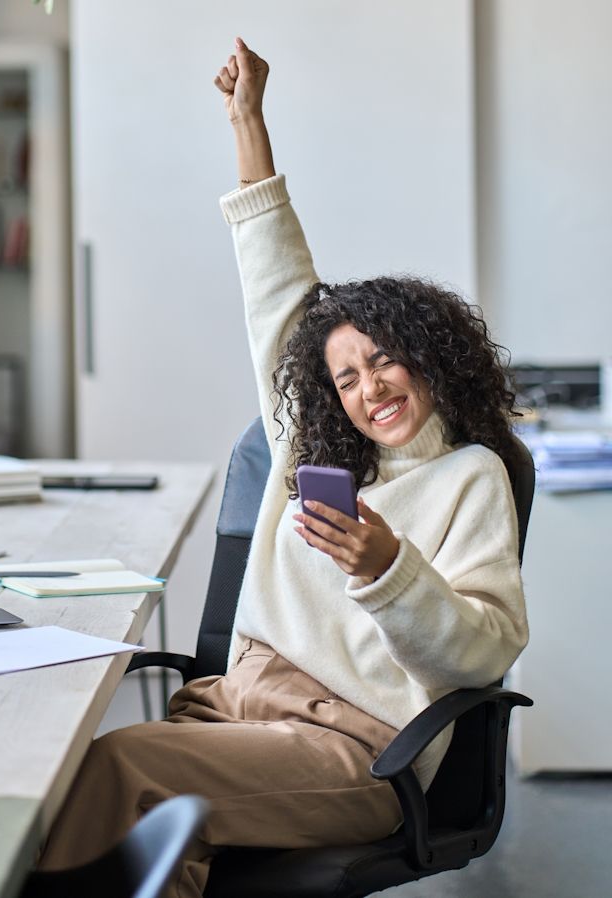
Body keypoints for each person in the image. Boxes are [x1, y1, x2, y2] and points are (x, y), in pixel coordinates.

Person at [37, 37, 528, 898]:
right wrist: (248, 120)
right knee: (100, 795)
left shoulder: (473, 477)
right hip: (239, 706)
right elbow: (274, 283)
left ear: (426, 356)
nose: (370, 387)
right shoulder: (311, 450)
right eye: (345, 376)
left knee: (126, 771)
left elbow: (482, 654)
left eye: (385, 361)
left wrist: (391, 573)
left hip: (359, 750)